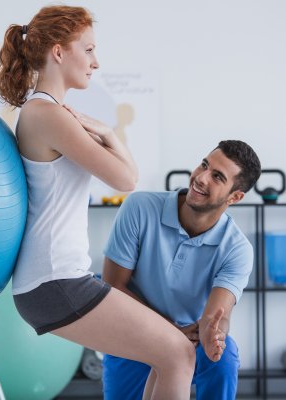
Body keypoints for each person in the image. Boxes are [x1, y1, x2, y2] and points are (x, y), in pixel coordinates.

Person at [0, 5, 207, 399]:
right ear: (59, 52)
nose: (96, 62)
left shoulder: (51, 113)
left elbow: (127, 175)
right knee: (177, 353)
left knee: (172, 355)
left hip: (57, 278)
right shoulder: (46, 114)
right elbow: (126, 178)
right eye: (88, 49)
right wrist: (109, 135)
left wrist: (108, 131)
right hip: (55, 281)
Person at [101, 140, 261, 400]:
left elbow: (217, 315)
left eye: (217, 177)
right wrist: (168, 331)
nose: (201, 177)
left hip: (190, 340)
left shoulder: (237, 249)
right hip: (132, 333)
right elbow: (112, 287)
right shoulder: (139, 208)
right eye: (205, 165)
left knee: (224, 356)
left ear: (235, 197)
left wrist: (214, 333)